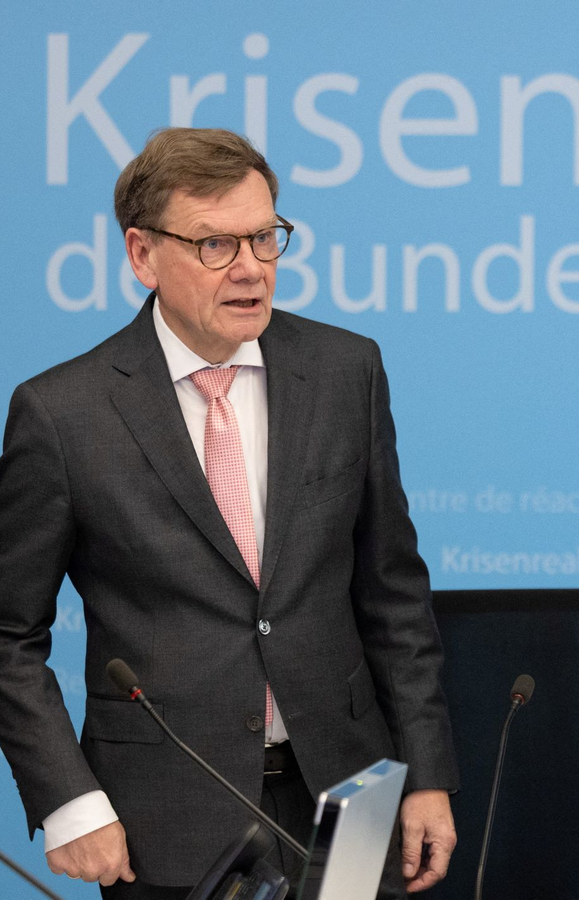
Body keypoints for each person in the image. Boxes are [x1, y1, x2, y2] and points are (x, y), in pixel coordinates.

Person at [0, 128, 458, 899]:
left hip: (350, 794)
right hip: (164, 818)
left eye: (265, 237)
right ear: (143, 254)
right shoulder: (63, 413)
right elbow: (8, 634)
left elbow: (392, 594)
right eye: (215, 244)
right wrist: (70, 801)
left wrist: (426, 773)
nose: (250, 267)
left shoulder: (345, 371)